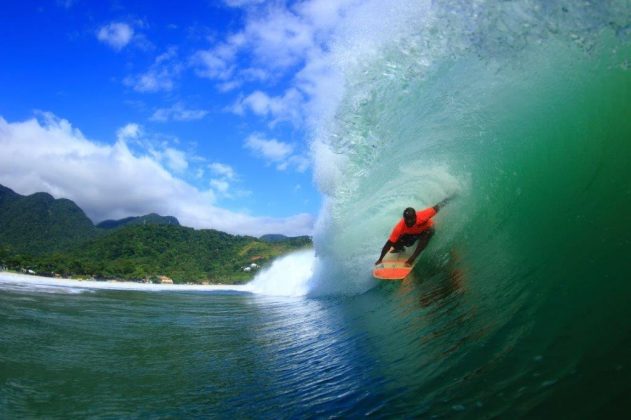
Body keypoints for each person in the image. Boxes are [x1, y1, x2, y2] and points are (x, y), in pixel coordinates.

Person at [375, 196, 453, 267]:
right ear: (404, 219)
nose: (409, 222)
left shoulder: (423, 216)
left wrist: (452, 197)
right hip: (413, 235)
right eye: (407, 220)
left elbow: (438, 206)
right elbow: (388, 244)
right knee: (395, 242)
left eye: (412, 219)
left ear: (415, 217)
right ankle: (400, 248)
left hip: (426, 231)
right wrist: (380, 259)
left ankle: (412, 258)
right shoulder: (400, 227)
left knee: (428, 232)